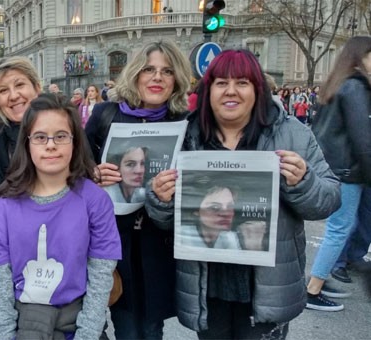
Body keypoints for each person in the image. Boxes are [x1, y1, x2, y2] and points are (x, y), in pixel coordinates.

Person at [149, 49, 340, 339]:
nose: (231, 91)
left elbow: (328, 199)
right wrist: (161, 199)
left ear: (257, 89)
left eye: (242, 82)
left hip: (265, 292)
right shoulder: (185, 137)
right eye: (221, 83)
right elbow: (165, 220)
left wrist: (303, 181)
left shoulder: (292, 134)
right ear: (208, 89)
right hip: (207, 290)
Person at [0, 94, 121, 339]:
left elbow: (101, 277)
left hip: (76, 326)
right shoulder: (4, 208)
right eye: (40, 137)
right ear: (27, 143)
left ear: (74, 142)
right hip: (21, 326)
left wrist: (86, 335)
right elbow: (0, 288)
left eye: (60, 136)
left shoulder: (95, 201)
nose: (50, 145)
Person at [85, 40, 192, 339]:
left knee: (151, 326)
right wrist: (93, 172)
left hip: (159, 241)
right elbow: (77, 166)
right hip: (114, 239)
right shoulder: (105, 114)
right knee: (127, 325)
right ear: (135, 74)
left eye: (166, 71)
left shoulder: (183, 122)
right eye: (149, 69)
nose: (157, 77)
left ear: (177, 79)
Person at [306, 35, 371, 311]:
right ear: (360, 57)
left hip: (334, 168)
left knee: (338, 228)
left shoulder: (337, 84)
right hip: (348, 171)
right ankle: (312, 290)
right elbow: (363, 139)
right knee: (338, 230)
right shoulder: (355, 88)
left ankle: (318, 279)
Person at [0, 56, 42, 220]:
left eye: (20, 85)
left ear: (37, 88)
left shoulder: (66, 126)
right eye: (3, 90)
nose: (14, 95)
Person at [179, 182, 241, 250]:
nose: (226, 213)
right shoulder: (181, 236)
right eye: (215, 207)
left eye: (230, 206)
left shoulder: (230, 237)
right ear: (196, 210)